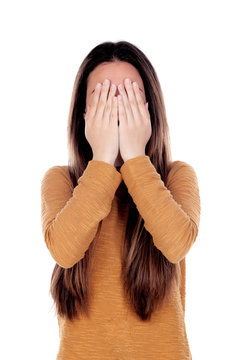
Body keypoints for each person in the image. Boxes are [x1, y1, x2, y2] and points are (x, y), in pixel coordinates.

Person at [40, 40, 201, 360]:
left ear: (149, 109)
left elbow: (176, 243)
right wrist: (101, 158)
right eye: (101, 96)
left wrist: (134, 157)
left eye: (129, 95)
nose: (116, 107)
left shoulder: (177, 176)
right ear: (83, 113)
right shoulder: (60, 180)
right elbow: (64, 250)